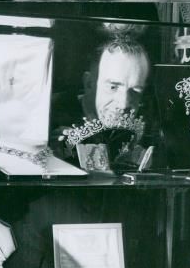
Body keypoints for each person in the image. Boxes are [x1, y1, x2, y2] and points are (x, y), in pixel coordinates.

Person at [52, 36, 153, 170]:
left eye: (135, 90)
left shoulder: (150, 121)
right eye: (113, 87)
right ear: (89, 84)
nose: (123, 104)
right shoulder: (50, 113)